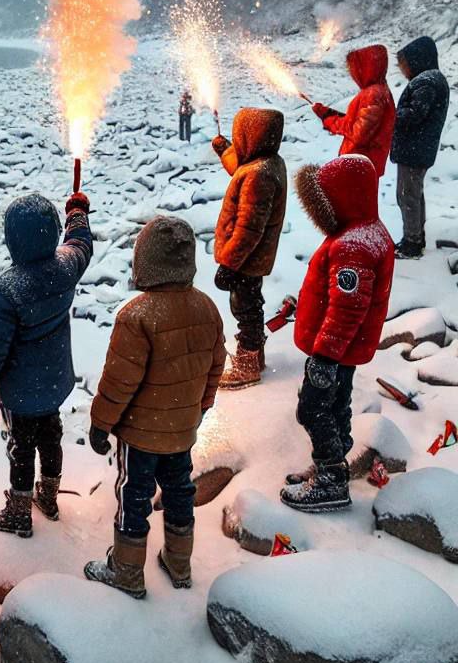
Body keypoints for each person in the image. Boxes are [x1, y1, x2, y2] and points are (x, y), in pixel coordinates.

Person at [84, 216, 225, 598]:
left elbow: (119, 381)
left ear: (143, 262)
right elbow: (215, 366)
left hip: (140, 436)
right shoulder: (206, 308)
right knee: (180, 490)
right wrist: (200, 408)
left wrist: (101, 424)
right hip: (181, 429)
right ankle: (179, 563)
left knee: (134, 494)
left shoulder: (137, 316)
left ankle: (127, 571)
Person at [281, 155, 394, 512]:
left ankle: (331, 477)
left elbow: (347, 308)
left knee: (312, 409)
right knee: (336, 403)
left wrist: (325, 356)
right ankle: (334, 460)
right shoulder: (369, 232)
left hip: (334, 349)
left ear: (343, 198)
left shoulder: (352, 246)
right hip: (348, 347)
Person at [0, 191, 93, 536]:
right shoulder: (66, 265)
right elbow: (82, 243)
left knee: (21, 446)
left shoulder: (7, 290)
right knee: (51, 434)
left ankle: (18, 511)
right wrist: (77, 212)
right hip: (55, 380)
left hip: (20, 391)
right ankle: (49, 496)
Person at [211, 108, 288, 389]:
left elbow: (248, 230)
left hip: (247, 259)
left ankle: (248, 365)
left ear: (251, 137)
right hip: (252, 258)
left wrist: (230, 264)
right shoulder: (265, 163)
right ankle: (255, 357)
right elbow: (240, 167)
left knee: (246, 308)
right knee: (250, 304)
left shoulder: (259, 176)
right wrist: (225, 150)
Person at [390, 36, 450, 259]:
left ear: (417, 60)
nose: (402, 70)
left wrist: (391, 116)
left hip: (414, 150)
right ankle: (415, 236)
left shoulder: (426, 82)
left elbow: (415, 115)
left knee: (408, 196)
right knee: (413, 194)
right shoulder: (430, 79)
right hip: (417, 149)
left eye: (404, 65)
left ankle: (412, 244)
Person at [310, 45, 395, 177]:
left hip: (358, 165)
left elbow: (358, 133)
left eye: (354, 68)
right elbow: (363, 123)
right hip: (365, 163)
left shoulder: (372, 94)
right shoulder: (380, 90)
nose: (353, 74)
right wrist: (328, 113)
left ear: (366, 68)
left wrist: (330, 119)